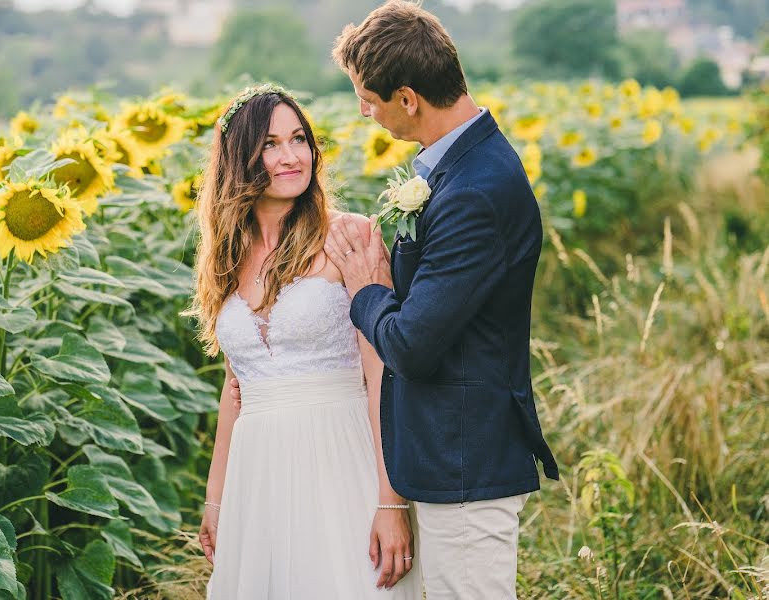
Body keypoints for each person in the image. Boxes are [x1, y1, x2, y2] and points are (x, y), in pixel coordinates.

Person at [230, 2, 559, 597]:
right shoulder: (456, 170)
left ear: (407, 98)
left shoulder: (475, 191)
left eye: (369, 97)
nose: (363, 111)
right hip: (442, 458)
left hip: (464, 458)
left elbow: (410, 343)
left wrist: (367, 289)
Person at [187, 83, 422, 599]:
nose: (291, 156)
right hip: (258, 474)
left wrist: (391, 500)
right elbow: (235, 390)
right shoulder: (223, 258)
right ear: (239, 160)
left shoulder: (350, 236)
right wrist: (216, 499)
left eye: (299, 139)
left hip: (342, 458)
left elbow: (384, 375)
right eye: (270, 144)